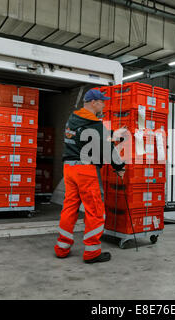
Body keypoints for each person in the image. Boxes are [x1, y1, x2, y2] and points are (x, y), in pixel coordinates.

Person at [54, 89, 126, 264]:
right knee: (95, 211)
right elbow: (106, 148)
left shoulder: (74, 119)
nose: (104, 105)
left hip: (69, 169)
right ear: (94, 102)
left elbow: (87, 137)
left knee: (69, 207)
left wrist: (113, 134)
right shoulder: (93, 123)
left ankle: (62, 248)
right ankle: (92, 252)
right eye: (103, 102)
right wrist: (119, 167)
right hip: (85, 170)